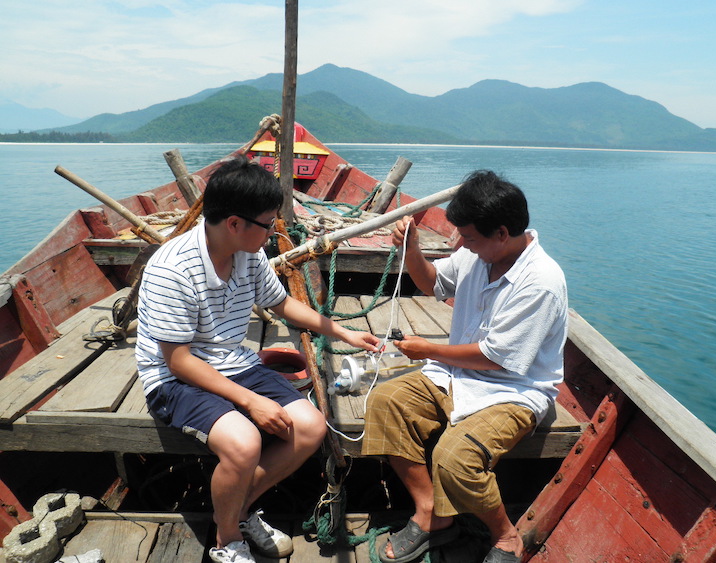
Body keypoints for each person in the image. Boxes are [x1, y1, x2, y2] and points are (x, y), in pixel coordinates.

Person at [136, 158, 380, 563]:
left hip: (233, 361)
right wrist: (251, 401)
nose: (274, 232)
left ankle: (235, 508)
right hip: (174, 378)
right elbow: (178, 361)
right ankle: (227, 538)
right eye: (268, 223)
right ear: (234, 223)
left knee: (309, 425)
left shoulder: (248, 254)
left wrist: (341, 330)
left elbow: (281, 303)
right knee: (244, 443)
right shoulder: (172, 268)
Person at [362, 170, 568, 563]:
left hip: (514, 391)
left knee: (454, 458)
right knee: (384, 403)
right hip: (456, 378)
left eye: (469, 238)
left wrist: (429, 350)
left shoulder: (541, 281)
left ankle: (506, 536)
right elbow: (432, 284)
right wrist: (412, 252)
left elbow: (495, 358)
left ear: (502, 233)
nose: (464, 246)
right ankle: (430, 514)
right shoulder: (480, 254)